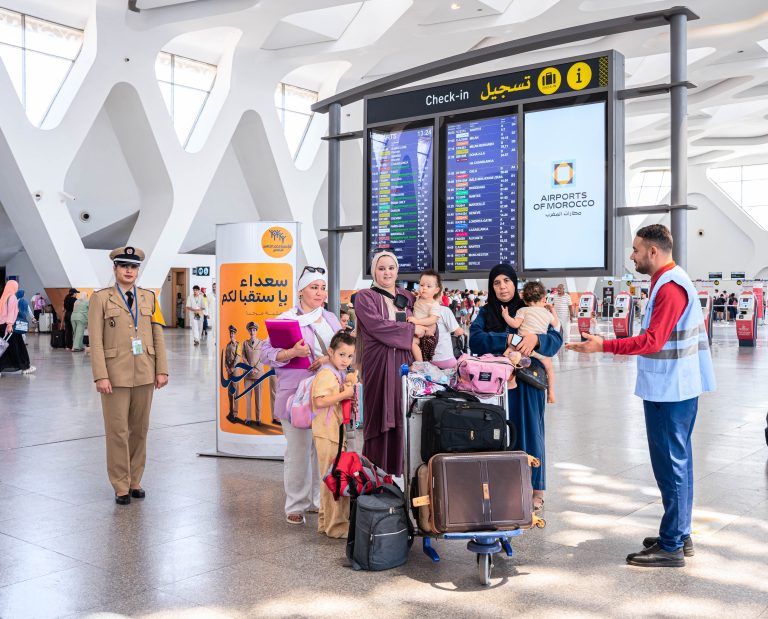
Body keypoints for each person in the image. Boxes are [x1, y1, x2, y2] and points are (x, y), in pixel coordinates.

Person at [567, 224, 715, 567]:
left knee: (672, 464)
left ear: (653, 251)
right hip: (672, 385)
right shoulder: (666, 280)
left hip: (672, 389)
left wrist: (604, 345)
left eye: (635, 250)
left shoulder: (671, 287)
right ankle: (678, 532)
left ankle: (672, 544)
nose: (631, 256)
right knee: (676, 462)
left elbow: (653, 341)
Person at [469, 264, 562, 511]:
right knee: (498, 434)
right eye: (496, 283)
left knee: (531, 433)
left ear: (514, 283)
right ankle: (504, 485)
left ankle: (535, 488)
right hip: (496, 385)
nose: (502, 287)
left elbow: (555, 339)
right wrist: (507, 339)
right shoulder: (486, 313)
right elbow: (475, 340)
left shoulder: (530, 308)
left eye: (506, 281)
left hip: (528, 383)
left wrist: (537, 339)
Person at [260, 266, 341, 525]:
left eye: (322, 287)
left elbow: (345, 352)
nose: (319, 292)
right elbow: (265, 354)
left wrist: (328, 358)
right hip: (295, 395)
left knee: (324, 448)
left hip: (327, 393)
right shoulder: (285, 320)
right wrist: (291, 354)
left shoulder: (330, 319)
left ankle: (320, 500)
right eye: (313, 287)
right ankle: (296, 503)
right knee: (298, 449)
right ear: (300, 291)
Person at [88, 246, 169, 504]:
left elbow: (157, 334)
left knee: (140, 430)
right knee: (117, 431)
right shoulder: (101, 299)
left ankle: (135, 480)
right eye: (124, 266)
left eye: (133, 267)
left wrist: (162, 369)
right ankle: (120, 485)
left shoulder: (149, 298)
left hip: (145, 372)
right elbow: (97, 340)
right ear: (115, 269)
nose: (129, 270)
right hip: (115, 375)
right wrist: (101, 375)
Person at [355, 251, 424, 477]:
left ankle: (402, 478)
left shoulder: (407, 296)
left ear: (397, 270)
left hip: (405, 363)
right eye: (381, 268)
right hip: (379, 364)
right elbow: (377, 327)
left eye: (391, 268)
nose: (387, 272)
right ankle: (376, 477)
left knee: (403, 413)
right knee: (379, 414)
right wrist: (412, 330)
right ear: (374, 271)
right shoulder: (365, 297)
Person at [311, 330, 358, 538]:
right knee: (335, 479)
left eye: (349, 356)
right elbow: (319, 401)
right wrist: (345, 394)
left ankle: (325, 522)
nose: (345, 360)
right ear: (330, 352)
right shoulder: (326, 373)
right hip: (327, 433)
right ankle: (336, 527)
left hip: (331, 432)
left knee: (328, 478)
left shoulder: (334, 373)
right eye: (341, 355)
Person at [502, 281, 559, 404]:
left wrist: (505, 315)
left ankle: (511, 379)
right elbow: (556, 324)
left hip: (521, 343)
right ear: (543, 298)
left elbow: (515, 324)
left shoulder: (523, 310)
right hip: (538, 347)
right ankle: (551, 393)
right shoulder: (547, 313)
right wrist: (552, 310)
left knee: (507, 352)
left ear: (525, 300)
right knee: (549, 368)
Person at [427, 271, 465, 369]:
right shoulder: (444, 310)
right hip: (444, 359)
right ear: (439, 292)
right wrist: (463, 331)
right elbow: (458, 331)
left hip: (427, 359)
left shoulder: (420, 310)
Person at [0, 281, 35, 374]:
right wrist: (10, 324)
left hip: (2, 325)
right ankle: (25, 366)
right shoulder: (12, 297)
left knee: (4, 348)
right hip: (10, 326)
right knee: (18, 346)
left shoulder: (3, 297)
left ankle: (4, 367)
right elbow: (11, 312)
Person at [408, 270, 441, 362]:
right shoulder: (417, 299)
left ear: (436, 290)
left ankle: (420, 364)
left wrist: (418, 322)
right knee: (411, 343)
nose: (424, 288)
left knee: (412, 343)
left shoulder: (434, 304)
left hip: (427, 333)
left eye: (428, 286)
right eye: (422, 285)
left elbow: (433, 319)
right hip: (417, 329)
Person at [240, 321, 264, 427]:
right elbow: (243, 356)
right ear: (248, 331)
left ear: (256, 331)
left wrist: (256, 368)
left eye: (254, 330)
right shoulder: (245, 343)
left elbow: (263, 357)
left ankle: (258, 419)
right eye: (250, 330)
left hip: (258, 373)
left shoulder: (262, 343)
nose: (252, 332)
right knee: (248, 397)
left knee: (258, 397)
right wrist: (250, 368)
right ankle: (248, 418)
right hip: (248, 374)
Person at [223, 325, 241, 423]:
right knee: (230, 393)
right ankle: (230, 411)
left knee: (236, 393)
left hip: (235, 372)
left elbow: (238, 358)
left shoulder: (238, 345)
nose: (232, 334)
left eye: (233, 333)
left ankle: (235, 413)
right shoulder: (228, 345)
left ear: (235, 334)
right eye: (231, 333)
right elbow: (226, 358)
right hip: (229, 373)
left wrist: (232, 368)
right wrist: (226, 367)